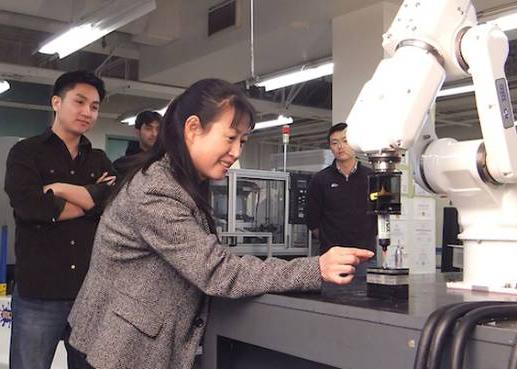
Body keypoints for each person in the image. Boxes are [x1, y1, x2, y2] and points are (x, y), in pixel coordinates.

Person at [67, 79, 374, 369]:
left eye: (242, 140)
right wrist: (315, 268)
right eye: (229, 138)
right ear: (192, 128)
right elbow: (217, 271)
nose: (236, 152)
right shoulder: (156, 189)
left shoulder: (182, 180)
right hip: (120, 350)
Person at [4, 70, 116, 369]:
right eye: (79, 102)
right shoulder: (25, 153)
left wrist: (60, 190)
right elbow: (31, 207)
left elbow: (110, 207)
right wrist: (90, 198)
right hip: (38, 294)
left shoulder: (99, 160)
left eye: (94, 106)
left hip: (89, 295)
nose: (87, 112)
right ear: (56, 102)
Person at [305, 122, 377, 257]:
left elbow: (379, 216)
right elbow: (312, 220)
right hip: (332, 257)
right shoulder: (320, 179)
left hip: (365, 255)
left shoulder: (371, 177)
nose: (340, 147)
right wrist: (329, 241)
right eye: (334, 143)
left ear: (355, 144)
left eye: (345, 141)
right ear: (330, 147)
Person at [112, 110, 161, 176]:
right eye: (148, 129)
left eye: (158, 129)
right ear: (137, 132)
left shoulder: (168, 162)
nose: (154, 134)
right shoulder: (122, 165)